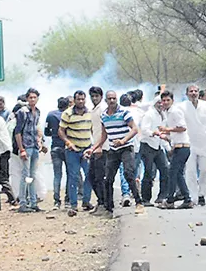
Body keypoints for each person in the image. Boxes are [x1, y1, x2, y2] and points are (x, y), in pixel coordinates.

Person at [88, 90, 144, 216]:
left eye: (114, 98)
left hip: (126, 147)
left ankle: (139, 202)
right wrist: (93, 148)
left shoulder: (124, 112)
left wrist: (123, 140)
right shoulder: (104, 116)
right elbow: (104, 136)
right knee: (108, 179)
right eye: (109, 99)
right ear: (106, 100)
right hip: (113, 149)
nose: (112, 101)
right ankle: (109, 208)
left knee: (128, 174)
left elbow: (134, 129)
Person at [181, 84, 206, 206]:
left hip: (204, 143)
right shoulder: (182, 107)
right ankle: (193, 195)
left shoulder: (205, 106)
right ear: (187, 94)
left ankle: (202, 193)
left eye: (195, 91)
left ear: (198, 93)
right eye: (191, 91)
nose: (193, 93)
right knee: (190, 171)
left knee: (205, 169)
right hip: (188, 143)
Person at [59, 90, 94, 216]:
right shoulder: (67, 113)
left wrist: (94, 146)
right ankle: (73, 205)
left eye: (83, 99)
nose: (81, 101)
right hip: (72, 151)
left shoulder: (90, 113)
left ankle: (86, 201)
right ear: (74, 100)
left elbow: (93, 130)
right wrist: (68, 143)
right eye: (78, 99)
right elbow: (61, 131)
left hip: (86, 149)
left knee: (89, 175)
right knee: (73, 177)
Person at [158, 91, 193, 209]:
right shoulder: (168, 113)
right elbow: (175, 132)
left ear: (172, 100)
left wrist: (167, 129)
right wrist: (166, 135)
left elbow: (182, 127)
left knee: (172, 173)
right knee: (177, 174)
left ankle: (170, 200)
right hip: (178, 146)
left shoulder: (175, 111)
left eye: (168, 100)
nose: (166, 102)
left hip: (183, 147)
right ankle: (187, 199)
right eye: (164, 100)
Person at [15, 88, 45, 213]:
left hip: (34, 146)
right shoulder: (22, 112)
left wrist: (40, 141)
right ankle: (23, 202)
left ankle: (33, 202)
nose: (33, 99)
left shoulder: (37, 111)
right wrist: (21, 149)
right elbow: (17, 132)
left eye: (35, 97)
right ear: (27, 98)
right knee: (25, 175)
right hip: (26, 146)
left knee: (32, 175)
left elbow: (36, 128)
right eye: (30, 97)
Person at [139, 96, 170, 205]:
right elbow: (144, 129)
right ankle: (145, 199)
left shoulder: (163, 115)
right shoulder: (149, 114)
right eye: (159, 102)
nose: (161, 104)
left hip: (158, 146)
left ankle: (162, 196)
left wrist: (168, 147)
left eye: (163, 102)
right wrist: (153, 133)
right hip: (148, 145)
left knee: (165, 170)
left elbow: (163, 133)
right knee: (149, 172)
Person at [45, 97, 70, 209]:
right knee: (70, 174)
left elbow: (46, 131)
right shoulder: (69, 115)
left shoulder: (50, 115)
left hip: (55, 147)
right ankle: (68, 199)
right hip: (68, 147)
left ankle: (56, 201)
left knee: (57, 175)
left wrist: (55, 134)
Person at [88, 86, 109, 215]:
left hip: (103, 147)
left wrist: (100, 146)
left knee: (99, 177)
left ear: (101, 97)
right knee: (92, 177)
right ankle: (101, 201)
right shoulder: (93, 110)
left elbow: (104, 130)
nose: (95, 98)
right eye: (93, 96)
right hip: (95, 146)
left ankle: (104, 204)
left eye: (97, 96)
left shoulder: (102, 110)